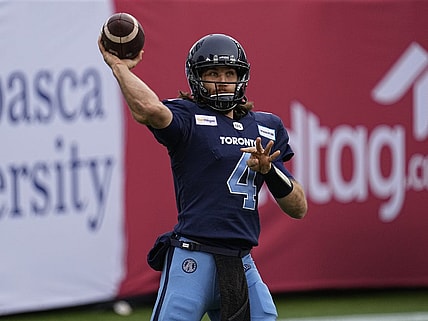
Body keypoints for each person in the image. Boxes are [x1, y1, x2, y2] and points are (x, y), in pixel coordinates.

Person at [98, 33, 307, 321]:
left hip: (241, 262)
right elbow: (148, 109)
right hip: (193, 259)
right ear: (196, 79)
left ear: (241, 78)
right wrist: (119, 67)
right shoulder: (189, 117)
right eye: (212, 73)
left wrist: (269, 171)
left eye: (229, 73)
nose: (222, 81)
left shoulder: (266, 127)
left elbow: (298, 208)